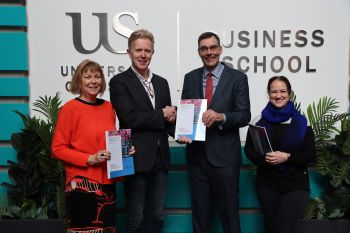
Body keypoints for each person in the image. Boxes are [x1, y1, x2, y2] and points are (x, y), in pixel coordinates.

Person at [179, 32, 251, 233]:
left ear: (220, 49)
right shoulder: (190, 78)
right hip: (197, 158)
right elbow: (186, 113)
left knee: (230, 218)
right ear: (199, 52)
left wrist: (221, 117)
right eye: (204, 48)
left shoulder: (238, 78)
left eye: (212, 47)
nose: (209, 52)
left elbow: (244, 115)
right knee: (200, 220)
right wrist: (183, 132)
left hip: (225, 159)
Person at [52, 59, 134, 233]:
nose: (93, 81)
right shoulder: (69, 109)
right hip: (83, 183)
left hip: (107, 185)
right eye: (87, 76)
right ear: (79, 81)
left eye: (97, 77)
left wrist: (124, 150)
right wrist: (89, 158)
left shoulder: (108, 107)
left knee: (107, 229)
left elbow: (109, 140)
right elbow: (57, 148)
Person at [109, 29, 176, 233]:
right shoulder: (119, 82)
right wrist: (162, 114)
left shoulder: (161, 82)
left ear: (153, 52)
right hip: (135, 157)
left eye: (147, 50)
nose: (143, 55)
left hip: (160, 158)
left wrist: (180, 132)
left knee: (157, 216)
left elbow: (167, 120)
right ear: (129, 52)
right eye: (138, 50)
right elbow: (129, 118)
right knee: (136, 219)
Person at [244, 76, 316, 233]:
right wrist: (265, 158)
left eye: (283, 91)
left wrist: (287, 157)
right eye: (273, 91)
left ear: (289, 93)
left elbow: (310, 154)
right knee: (271, 228)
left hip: (295, 185)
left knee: (283, 229)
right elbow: (249, 150)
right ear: (268, 94)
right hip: (267, 184)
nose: (278, 95)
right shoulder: (258, 120)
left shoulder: (302, 122)